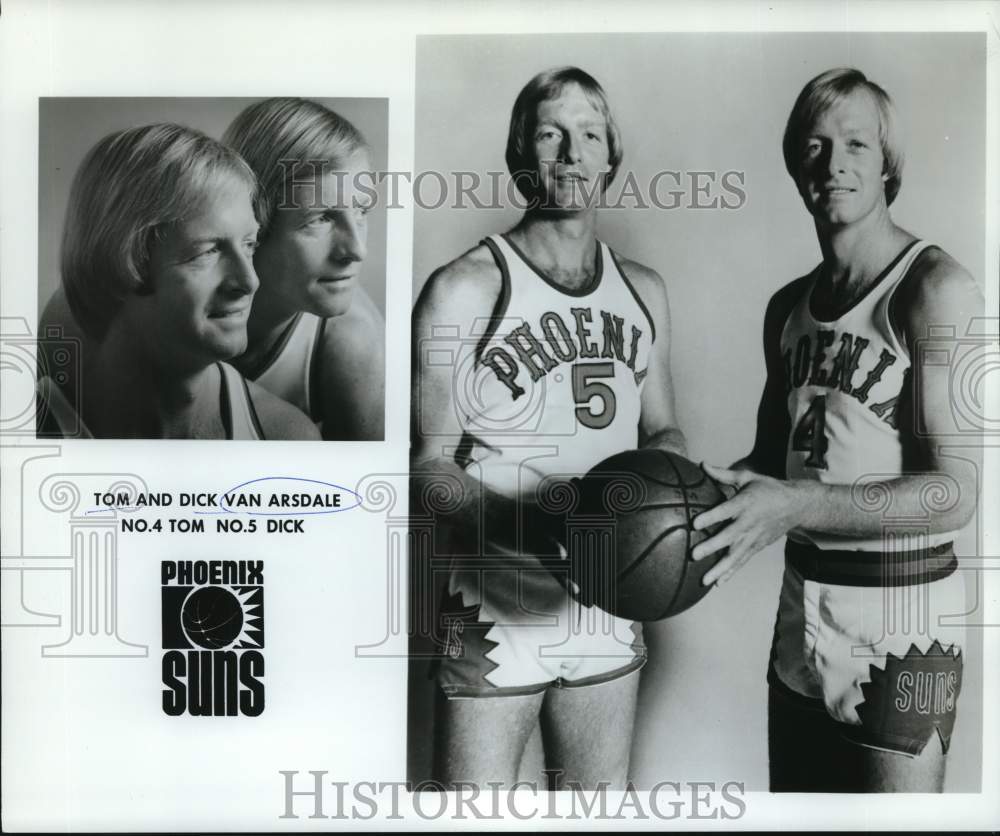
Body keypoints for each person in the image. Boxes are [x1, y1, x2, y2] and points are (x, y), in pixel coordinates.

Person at [691, 68, 983, 792]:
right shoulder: (787, 307)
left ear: (888, 164)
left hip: (904, 617)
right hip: (803, 609)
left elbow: (954, 495)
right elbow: (768, 463)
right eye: (814, 146)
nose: (834, 163)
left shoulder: (934, 289)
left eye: (856, 143)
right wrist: (670, 509)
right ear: (796, 167)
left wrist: (792, 507)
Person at [411, 66, 686, 789]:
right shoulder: (464, 287)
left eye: (588, 135)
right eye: (550, 133)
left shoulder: (645, 291)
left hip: (610, 598)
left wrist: (675, 509)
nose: (570, 153)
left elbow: (662, 432)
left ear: (610, 160)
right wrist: (531, 527)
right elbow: (428, 470)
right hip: (495, 595)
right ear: (519, 154)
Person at [37, 123, 318, 440]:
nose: (249, 281)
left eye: (249, 245)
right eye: (209, 251)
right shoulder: (28, 437)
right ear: (120, 260)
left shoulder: (285, 438)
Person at [222, 98, 385, 441]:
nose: (356, 250)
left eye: (362, 212)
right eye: (321, 218)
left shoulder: (352, 344)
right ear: (253, 225)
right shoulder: (175, 308)